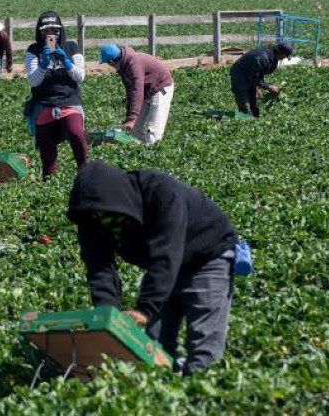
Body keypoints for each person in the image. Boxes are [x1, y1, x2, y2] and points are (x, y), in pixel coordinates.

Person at [67, 160, 238, 375]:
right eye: (97, 217)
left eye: (109, 215)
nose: (104, 221)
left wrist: (145, 308)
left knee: (203, 347)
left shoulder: (160, 192)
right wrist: (106, 314)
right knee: (152, 346)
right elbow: (100, 268)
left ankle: (201, 392)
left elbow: (166, 254)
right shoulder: (91, 220)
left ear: (119, 200)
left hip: (206, 255)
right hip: (164, 266)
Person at [24, 10, 87, 180]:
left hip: (69, 101)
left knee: (77, 135)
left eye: (55, 31)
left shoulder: (71, 47)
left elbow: (80, 76)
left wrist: (66, 62)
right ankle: (49, 182)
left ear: (60, 31)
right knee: (47, 150)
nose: (51, 35)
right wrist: (43, 64)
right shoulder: (34, 50)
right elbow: (34, 81)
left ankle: (85, 172)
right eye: (46, 31)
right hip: (44, 103)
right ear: (40, 32)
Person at [99, 45, 174, 145]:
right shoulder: (124, 66)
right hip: (147, 91)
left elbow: (137, 90)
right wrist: (129, 119)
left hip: (160, 88)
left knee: (153, 130)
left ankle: (153, 153)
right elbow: (130, 92)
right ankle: (141, 152)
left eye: (108, 63)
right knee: (136, 130)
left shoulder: (133, 64)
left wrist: (132, 118)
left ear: (111, 61)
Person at [229, 42, 293, 118]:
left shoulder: (272, 57)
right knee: (245, 106)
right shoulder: (262, 58)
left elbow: (259, 73)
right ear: (281, 54)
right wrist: (268, 87)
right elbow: (253, 77)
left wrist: (259, 87)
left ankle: (253, 120)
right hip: (239, 75)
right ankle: (245, 121)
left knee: (254, 104)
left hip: (250, 74)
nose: (284, 58)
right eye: (285, 56)